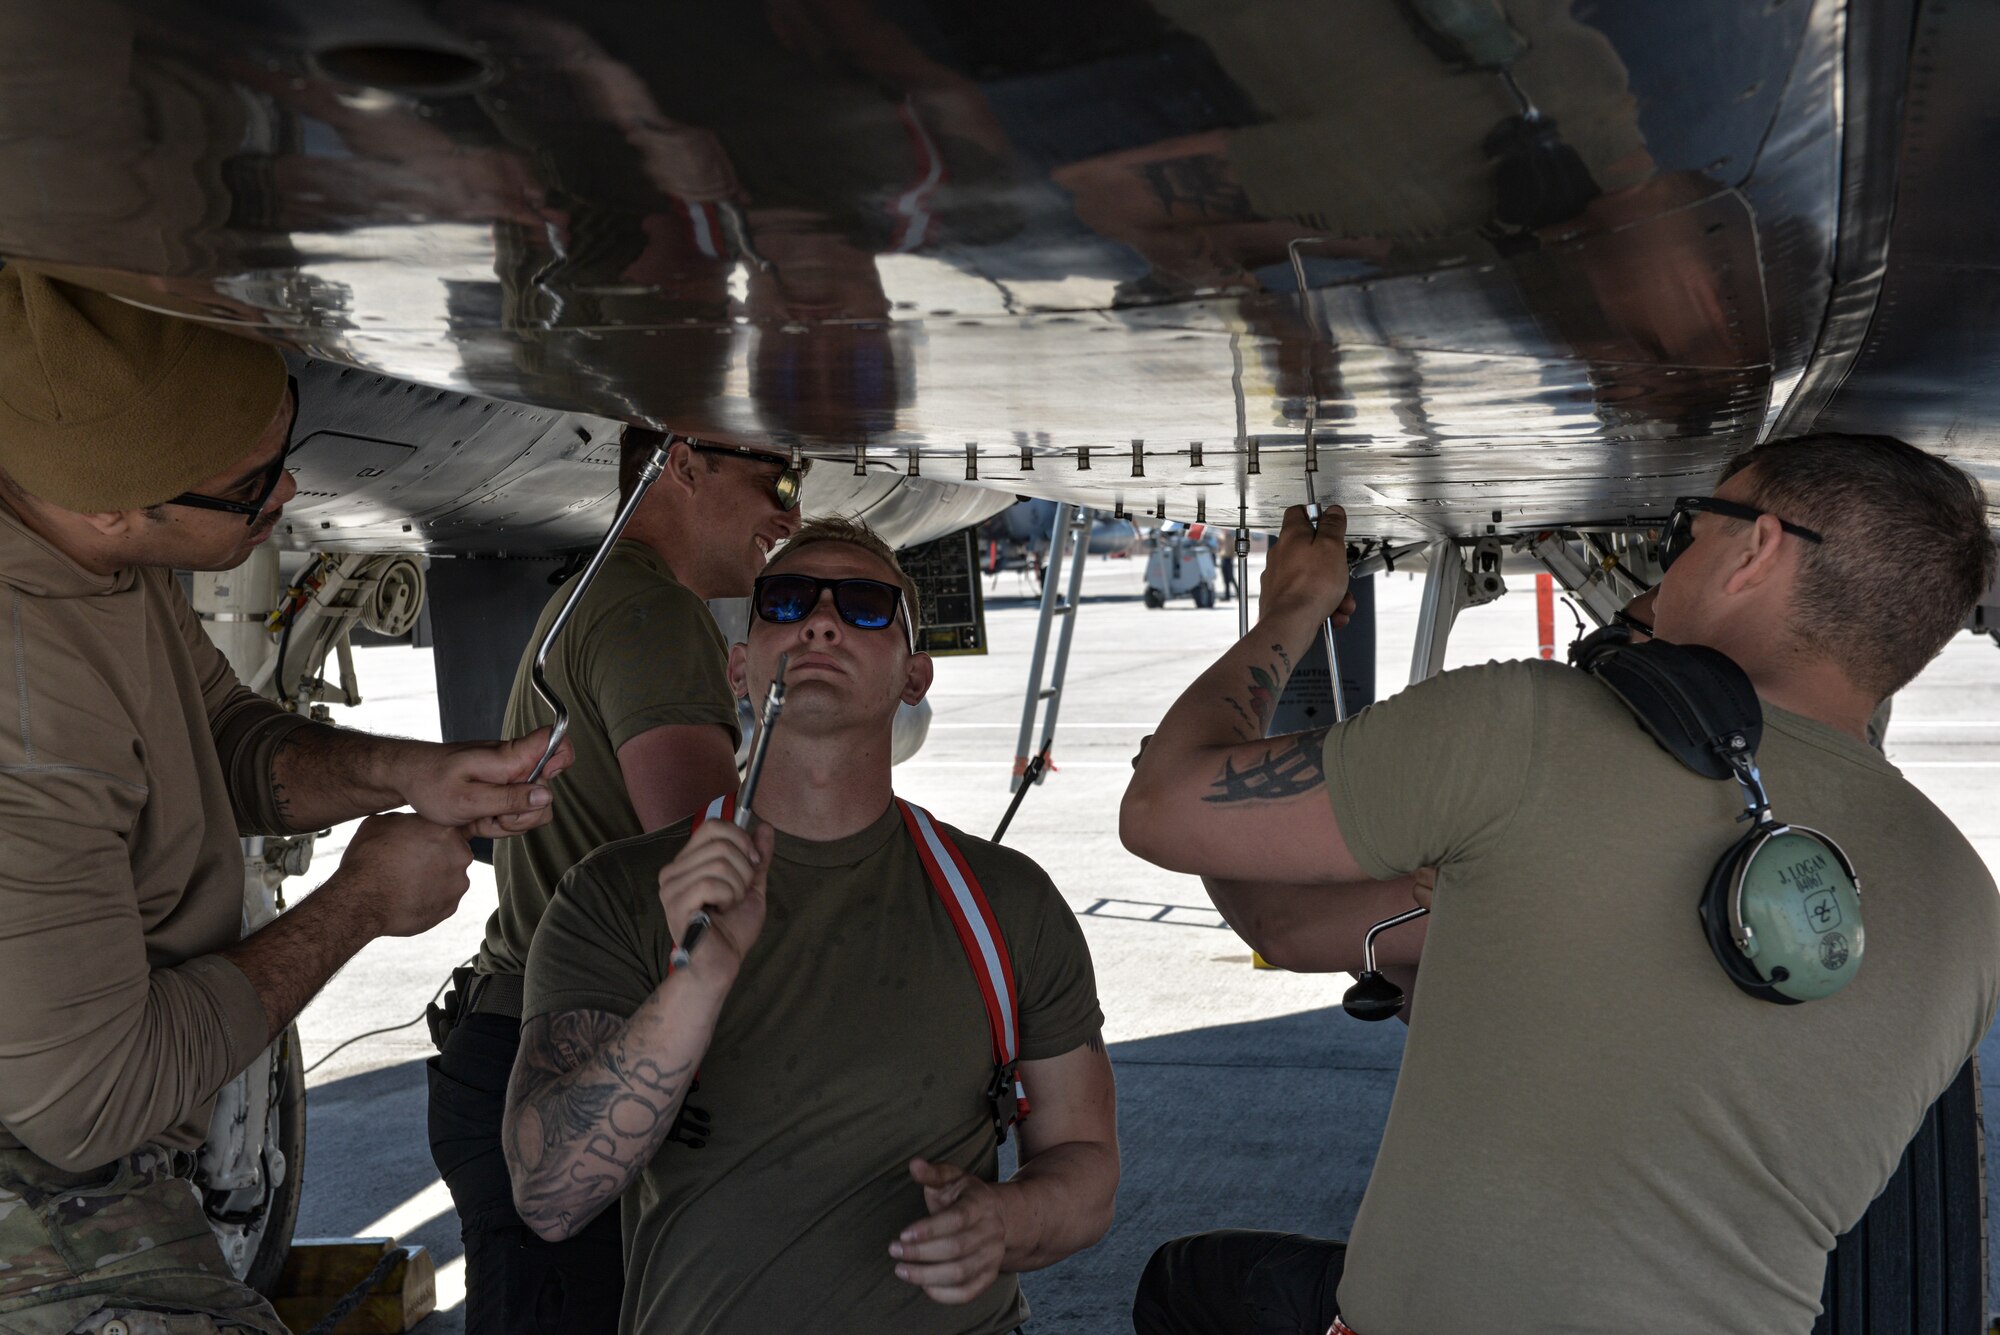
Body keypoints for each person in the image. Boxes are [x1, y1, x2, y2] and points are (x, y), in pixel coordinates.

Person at [1120, 432, 2000, 1334]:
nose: (1670, 556)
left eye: (1692, 528)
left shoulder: (1532, 732)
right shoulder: (1969, 909)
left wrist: (1294, 606)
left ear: (1757, 549)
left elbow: (1169, 810)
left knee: (1189, 1286)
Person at [0, 267, 571, 1335]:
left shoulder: (83, 536)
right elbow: (95, 1103)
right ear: (119, 506)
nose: (289, 499)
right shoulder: (24, 715)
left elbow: (215, 736)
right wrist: (359, 905)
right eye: (254, 484)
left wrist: (402, 770)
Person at [503, 516, 1119, 1334]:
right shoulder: (615, 896)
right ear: (738, 664)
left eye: (866, 606)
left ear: (914, 675)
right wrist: (698, 982)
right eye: (786, 601)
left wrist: (1005, 1223)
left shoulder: (1006, 902)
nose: (821, 620)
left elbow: (1086, 1167)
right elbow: (549, 1195)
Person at [427, 428, 803, 1333]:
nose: (789, 513)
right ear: (683, 462)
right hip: (575, 1064)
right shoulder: (649, 612)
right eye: (776, 477)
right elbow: (706, 869)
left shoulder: (591, 597)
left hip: (519, 1042)